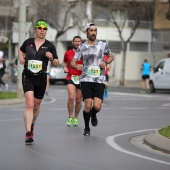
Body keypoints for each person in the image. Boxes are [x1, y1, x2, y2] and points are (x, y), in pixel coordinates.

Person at [18, 20, 59, 143]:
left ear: (46, 31)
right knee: (29, 104)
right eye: (39, 28)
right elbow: (20, 50)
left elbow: (56, 63)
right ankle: (28, 132)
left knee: (36, 106)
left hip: (41, 77)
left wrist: (51, 58)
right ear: (35, 29)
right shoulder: (28, 42)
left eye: (44, 28)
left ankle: (32, 124)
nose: (42, 30)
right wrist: (20, 57)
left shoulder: (50, 45)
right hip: (28, 75)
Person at [71, 23, 114, 136]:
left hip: (99, 80)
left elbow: (111, 56)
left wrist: (106, 62)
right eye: (91, 30)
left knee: (97, 106)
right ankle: (86, 128)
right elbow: (73, 61)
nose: (93, 33)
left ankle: (93, 115)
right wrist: (77, 66)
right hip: (85, 79)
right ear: (86, 32)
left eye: (95, 30)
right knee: (88, 105)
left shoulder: (103, 45)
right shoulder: (82, 47)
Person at [62, 36, 83, 126]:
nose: (77, 43)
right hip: (70, 77)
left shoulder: (84, 53)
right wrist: (65, 67)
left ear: (81, 43)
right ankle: (70, 117)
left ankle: (76, 117)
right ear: (72, 42)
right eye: (76, 41)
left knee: (78, 100)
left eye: (79, 41)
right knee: (71, 97)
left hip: (81, 78)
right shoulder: (68, 53)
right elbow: (64, 62)